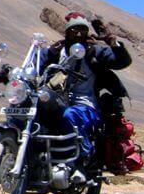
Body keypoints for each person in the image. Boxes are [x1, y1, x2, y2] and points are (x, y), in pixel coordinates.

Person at [38, 12, 132, 181]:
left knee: (70, 115)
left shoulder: (93, 51)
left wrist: (113, 43)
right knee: (34, 109)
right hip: (57, 102)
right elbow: (37, 63)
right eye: (74, 30)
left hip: (87, 105)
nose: (78, 34)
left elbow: (122, 62)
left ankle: (81, 160)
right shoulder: (57, 50)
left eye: (82, 30)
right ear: (67, 32)